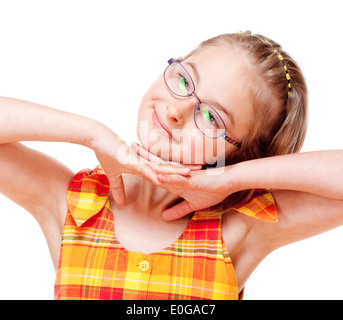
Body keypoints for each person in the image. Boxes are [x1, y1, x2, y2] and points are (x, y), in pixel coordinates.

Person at [1, 31, 342, 300]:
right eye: (183, 80)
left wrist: (231, 179)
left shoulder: (239, 231)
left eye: (211, 117)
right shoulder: (73, 205)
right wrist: (92, 135)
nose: (177, 110)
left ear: (242, 154)